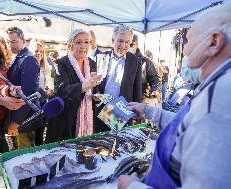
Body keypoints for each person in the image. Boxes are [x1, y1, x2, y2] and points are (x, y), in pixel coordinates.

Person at [118, 4, 231, 189]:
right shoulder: (218, 83)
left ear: (214, 42)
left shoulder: (221, 97)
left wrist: (132, 187)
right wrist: (148, 111)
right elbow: (188, 124)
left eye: (188, 40)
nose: (185, 50)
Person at [45, 29, 101, 143]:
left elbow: (94, 88)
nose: (83, 46)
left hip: (87, 116)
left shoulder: (92, 63)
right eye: (79, 42)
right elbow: (62, 91)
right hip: (65, 119)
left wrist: (97, 95)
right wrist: (86, 85)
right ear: (71, 45)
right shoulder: (60, 64)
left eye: (86, 42)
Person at [94, 26, 142, 132]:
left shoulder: (135, 61)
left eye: (127, 42)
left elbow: (137, 89)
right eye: (120, 41)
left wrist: (136, 112)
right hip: (101, 107)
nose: (123, 45)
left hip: (120, 111)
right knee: (99, 141)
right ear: (113, 41)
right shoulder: (101, 57)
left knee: (115, 142)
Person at [5, 27, 42, 148]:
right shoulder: (18, 57)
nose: (10, 45)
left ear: (23, 40)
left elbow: (29, 94)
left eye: (14, 41)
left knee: (24, 154)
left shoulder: (29, 59)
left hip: (25, 119)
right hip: (18, 114)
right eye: (8, 41)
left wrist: (16, 122)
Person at [129, 34, 159, 101]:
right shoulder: (122, 59)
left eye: (131, 45)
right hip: (122, 97)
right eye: (127, 44)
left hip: (138, 98)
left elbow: (154, 78)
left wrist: (154, 89)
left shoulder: (146, 61)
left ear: (137, 45)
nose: (129, 47)